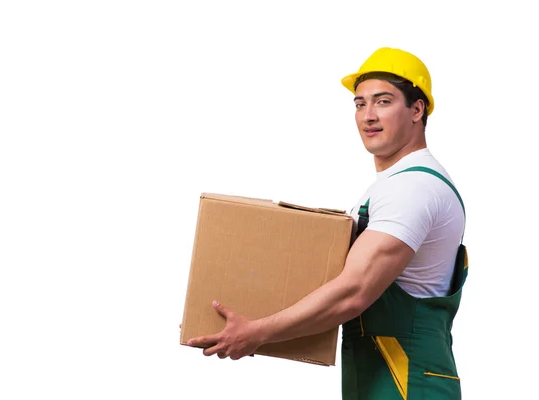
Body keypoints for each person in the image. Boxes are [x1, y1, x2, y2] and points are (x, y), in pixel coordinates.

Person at [186, 47, 468, 399]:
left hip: (407, 383)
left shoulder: (413, 188)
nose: (368, 116)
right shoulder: (394, 186)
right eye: (360, 103)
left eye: (383, 102)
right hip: (382, 376)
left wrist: (257, 331)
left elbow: (353, 292)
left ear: (416, 109)